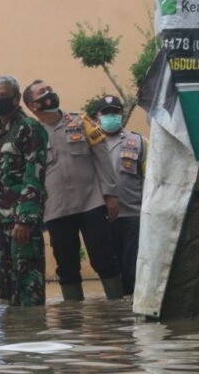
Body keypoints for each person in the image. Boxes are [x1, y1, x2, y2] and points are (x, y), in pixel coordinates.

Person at [23, 79, 124, 301]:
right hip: (56, 209)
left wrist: (110, 195)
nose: (49, 93)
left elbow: (103, 158)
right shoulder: (31, 133)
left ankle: (117, 311)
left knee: (104, 258)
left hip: (92, 203)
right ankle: (72, 319)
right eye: (42, 92)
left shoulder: (80, 121)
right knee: (67, 265)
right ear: (32, 105)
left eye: (50, 88)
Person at [0, 75, 49, 307]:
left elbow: (34, 175)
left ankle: (31, 335)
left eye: (3, 96)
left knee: (28, 286)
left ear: (17, 99)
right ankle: (10, 336)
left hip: (21, 221)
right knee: (5, 291)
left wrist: (24, 219)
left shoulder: (31, 129)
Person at [97, 95, 146, 296]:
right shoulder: (90, 143)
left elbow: (149, 176)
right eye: (106, 113)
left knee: (132, 266)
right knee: (108, 265)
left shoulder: (138, 141)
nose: (111, 117)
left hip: (132, 213)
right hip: (101, 216)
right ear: (98, 116)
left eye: (115, 112)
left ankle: (130, 307)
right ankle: (114, 309)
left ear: (121, 114)